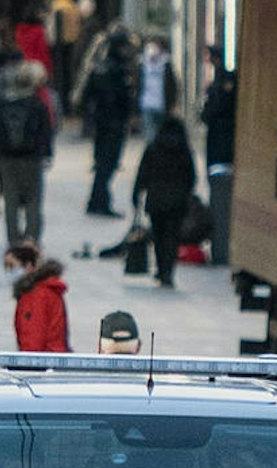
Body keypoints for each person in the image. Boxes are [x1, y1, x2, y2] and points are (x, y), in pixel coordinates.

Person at [0, 61, 52, 248]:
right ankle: (31, 238)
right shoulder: (36, 104)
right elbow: (45, 131)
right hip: (32, 158)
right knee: (33, 199)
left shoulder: (0, 104)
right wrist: (47, 153)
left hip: (7, 158)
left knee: (11, 199)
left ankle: (13, 239)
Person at [132, 115, 195, 289]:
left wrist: (136, 194)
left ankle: (160, 269)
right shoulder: (184, 150)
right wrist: (187, 194)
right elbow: (191, 176)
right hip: (177, 202)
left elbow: (142, 174)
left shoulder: (153, 148)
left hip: (156, 200)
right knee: (172, 237)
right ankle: (169, 271)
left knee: (158, 236)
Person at [78, 28, 134, 216]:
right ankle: (99, 201)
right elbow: (124, 99)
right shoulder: (117, 70)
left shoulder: (100, 68)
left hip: (101, 123)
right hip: (113, 123)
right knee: (107, 164)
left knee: (102, 163)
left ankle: (98, 200)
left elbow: (87, 97)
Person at [201, 45, 235, 266]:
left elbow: (210, 113)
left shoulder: (222, 83)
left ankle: (221, 250)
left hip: (220, 151)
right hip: (225, 150)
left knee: (220, 202)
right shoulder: (226, 81)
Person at [6, 242, 67, 351]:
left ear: (28, 266)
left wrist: (26, 362)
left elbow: (33, 335)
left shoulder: (34, 296)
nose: (8, 271)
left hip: (43, 360)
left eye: (12, 266)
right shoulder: (43, 290)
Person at [136, 34, 177, 141]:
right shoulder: (141, 66)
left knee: (161, 132)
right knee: (150, 134)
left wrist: (172, 103)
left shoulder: (166, 65)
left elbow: (172, 86)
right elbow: (137, 86)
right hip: (146, 104)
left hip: (162, 105)